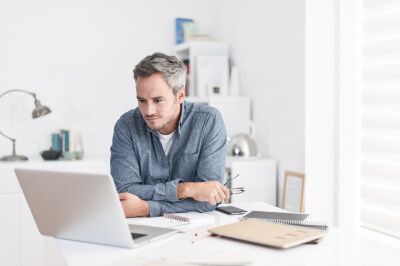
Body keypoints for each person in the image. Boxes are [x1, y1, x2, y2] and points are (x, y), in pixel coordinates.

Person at [110, 52, 230, 217]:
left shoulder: (209, 122)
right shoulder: (126, 125)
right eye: (142, 101)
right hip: (142, 229)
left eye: (158, 100)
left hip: (192, 230)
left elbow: (207, 201)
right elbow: (124, 193)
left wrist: (145, 208)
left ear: (180, 95)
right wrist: (185, 189)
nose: (148, 111)